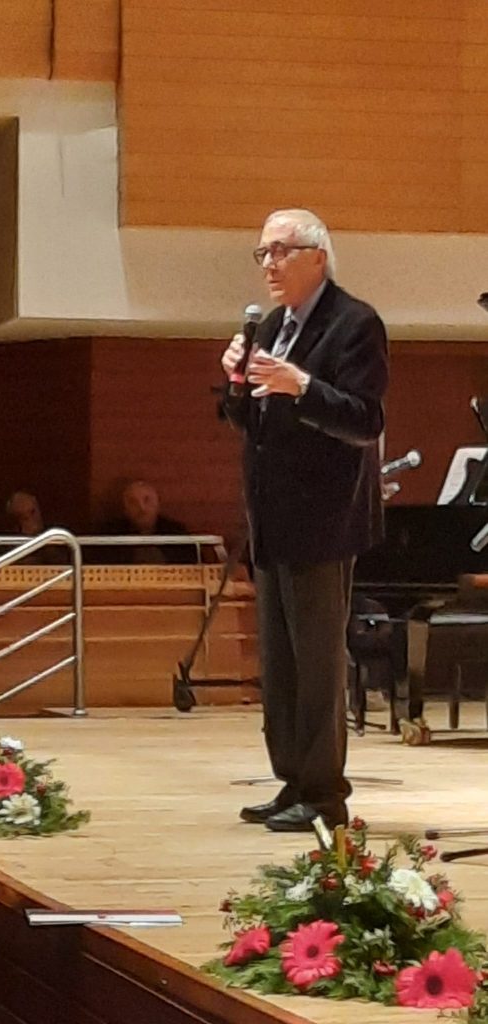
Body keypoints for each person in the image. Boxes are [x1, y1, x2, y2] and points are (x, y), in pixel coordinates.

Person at [221, 208, 389, 832]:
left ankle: (324, 797)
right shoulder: (272, 326)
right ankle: (293, 781)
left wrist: (303, 386)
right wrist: (235, 384)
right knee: (282, 667)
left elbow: (365, 420)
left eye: (280, 251)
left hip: (323, 523)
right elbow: (251, 421)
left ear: (317, 256)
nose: (268, 264)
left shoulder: (354, 323)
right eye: (262, 252)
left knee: (318, 666)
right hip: (273, 521)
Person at [103, 480, 195, 564]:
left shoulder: (176, 533)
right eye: (133, 502)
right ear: (125, 509)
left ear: (157, 503)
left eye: (147, 500)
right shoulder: (111, 535)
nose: (141, 508)